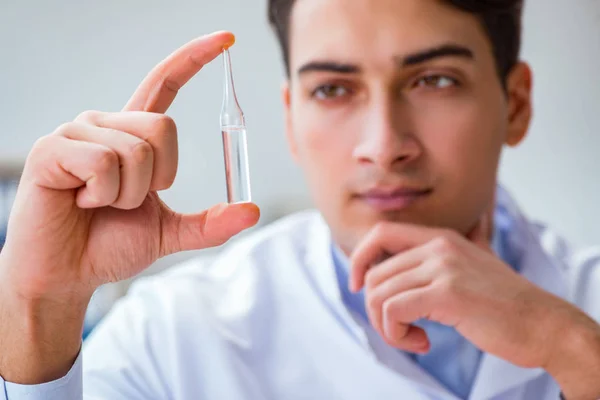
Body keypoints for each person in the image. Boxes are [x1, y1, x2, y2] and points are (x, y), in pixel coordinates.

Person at [0, 0, 599, 399]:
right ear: (290, 119)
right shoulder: (173, 336)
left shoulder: (587, 305)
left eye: (434, 79)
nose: (384, 146)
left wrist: (569, 346)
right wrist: (39, 308)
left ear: (515, 104)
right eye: (333, 89)